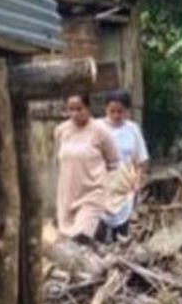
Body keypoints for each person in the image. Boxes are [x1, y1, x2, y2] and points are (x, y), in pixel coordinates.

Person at [54, 93, 119, 244]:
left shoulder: (100, 131)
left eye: (79, 109)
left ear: (88, 108)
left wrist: (108, 189)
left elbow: (113, 162)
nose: (75, 114)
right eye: (70, 110)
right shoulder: (61, 130)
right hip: (68, 193)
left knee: (82, 234)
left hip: (92, 192)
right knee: (67, 238)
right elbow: (59, 161)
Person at [99, 89, 150, 242]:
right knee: (97, 231)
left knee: (121, 233)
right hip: (101, 184)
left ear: (127, 111)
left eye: (120, 111)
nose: (116, 115)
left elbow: (140, 159)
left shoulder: (132, 129)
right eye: (112, 111)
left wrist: (138, 182)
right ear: (105, 109)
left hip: (125, 186)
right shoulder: (97, 128)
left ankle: (119, 260)